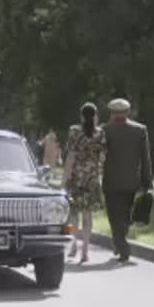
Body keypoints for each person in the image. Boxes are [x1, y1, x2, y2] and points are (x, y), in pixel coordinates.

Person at [101, 97, 153, 263]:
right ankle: (120, 242)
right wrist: (147, 182)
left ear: (111, 112)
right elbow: (145, 158)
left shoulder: (104, 130)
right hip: (132, 181)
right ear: (128, 112)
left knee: (114, 215)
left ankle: (122, 246)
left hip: (111, 181)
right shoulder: (140, 130)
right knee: (125, 214)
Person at [63, 102, 107, 264]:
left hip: (76, 178)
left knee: (74, 214)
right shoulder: (100, 134)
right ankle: (85, 251)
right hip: (92, 179)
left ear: (81, 116)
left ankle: (74, 244)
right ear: (95, 116)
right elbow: (103, 157)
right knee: (87, 215)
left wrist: (64, 178)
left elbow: (71, 156)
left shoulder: (74, 132)